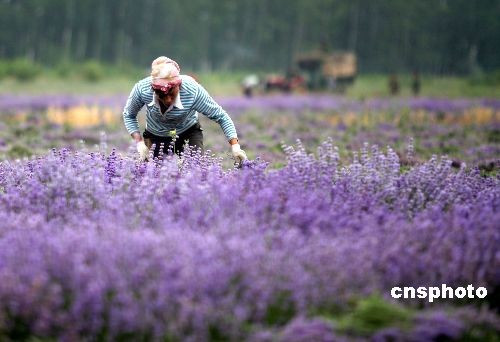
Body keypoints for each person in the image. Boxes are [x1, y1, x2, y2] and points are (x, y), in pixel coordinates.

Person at [123, 56, 248, 163]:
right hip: (156, 134)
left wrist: (235, 146)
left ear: (179, 85)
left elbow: (221, 116)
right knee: (153, 174)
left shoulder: (192, 90)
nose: (167, 100)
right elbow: (129, 114)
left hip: (188, 130)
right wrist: (139, 142)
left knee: (196, 168)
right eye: (161, 96)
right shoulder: (142, 89)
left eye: (171, 94)